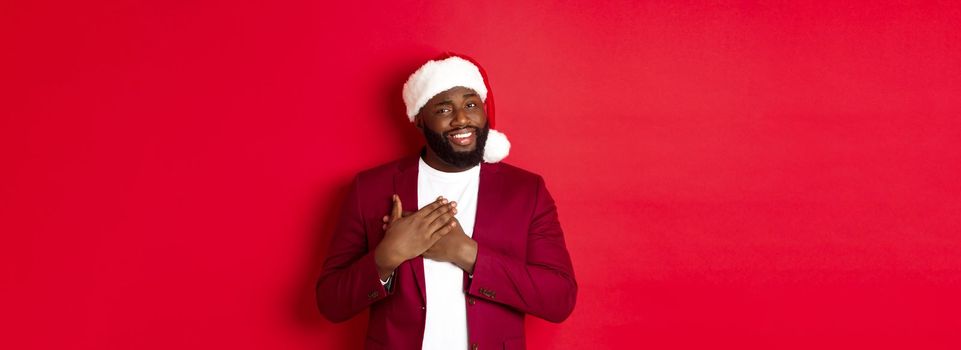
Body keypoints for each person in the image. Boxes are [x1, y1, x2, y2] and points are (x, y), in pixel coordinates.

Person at [316, 54, 576, 350]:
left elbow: (559, 298)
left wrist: (467, 253)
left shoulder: (526, 191)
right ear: (419, 120)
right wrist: (387, 256)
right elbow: (330, 303)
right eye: (443, 108)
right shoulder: (371, 189)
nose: (462, 118)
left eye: (470, 104)